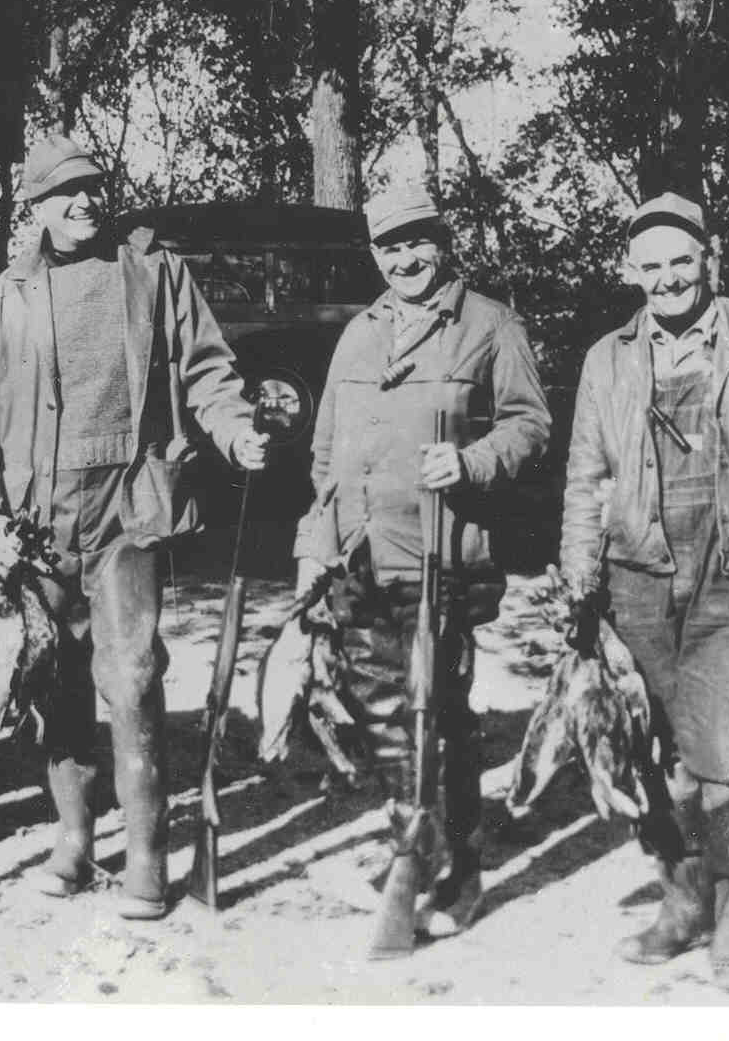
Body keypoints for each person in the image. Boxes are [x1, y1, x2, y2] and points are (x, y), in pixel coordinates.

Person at [0, 135, 268, 921]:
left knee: (130, 678)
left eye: (93, 187)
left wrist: (232, 431)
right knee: (53, 684)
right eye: (64, 192)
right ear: (34, 208)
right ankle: (73, 841)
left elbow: (207, 368)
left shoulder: (154, 273)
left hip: (130, 508)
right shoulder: (5, 296)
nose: (83, 202)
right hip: (35, 525)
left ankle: (148, 854)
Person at [561, 192, 729, 991]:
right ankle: (682, 903)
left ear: (707, 259)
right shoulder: (606, 356)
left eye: (683, 259)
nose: (668, 277)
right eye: (652, 265)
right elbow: (585, 473)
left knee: (728, 756)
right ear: (630, 271)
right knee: (649, 754)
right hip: (635, 578)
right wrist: (578, 574)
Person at [295, 191, 551, 957]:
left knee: (439, 714)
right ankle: (412, 844)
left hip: (441, 554)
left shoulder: (489, 323)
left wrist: (471, 461)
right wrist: (315, 541)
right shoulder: (357, 334)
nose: (403, 260)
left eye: (416, 244)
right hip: (358, 558)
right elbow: (323, 458)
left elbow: (531, 424)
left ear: (442, 242)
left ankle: (461, 868)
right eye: (388, 248)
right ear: (373, 255)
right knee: (377, 715)